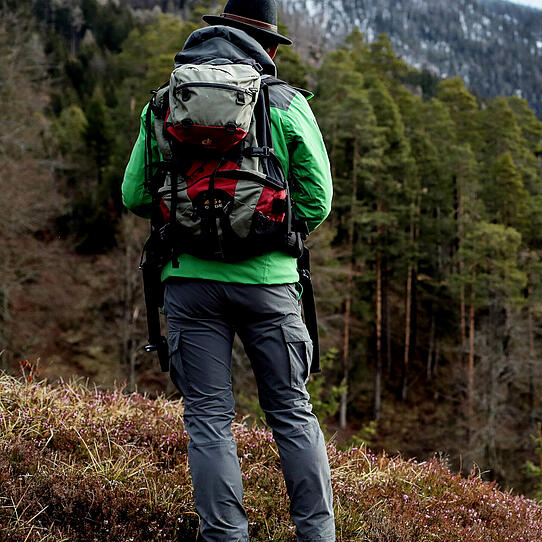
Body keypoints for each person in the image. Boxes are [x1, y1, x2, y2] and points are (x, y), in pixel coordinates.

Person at [120, 0, 336, 540]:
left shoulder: (166, 103)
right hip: (269, 286)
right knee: (291, 412)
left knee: (209, 420)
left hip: (189, 285)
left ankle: (226, 536)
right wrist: (272, 233)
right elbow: (318, 198)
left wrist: (189, 222)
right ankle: (316, 534)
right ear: (261, 45)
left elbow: (135, 194)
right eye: (273, 46)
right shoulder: (285, 102)